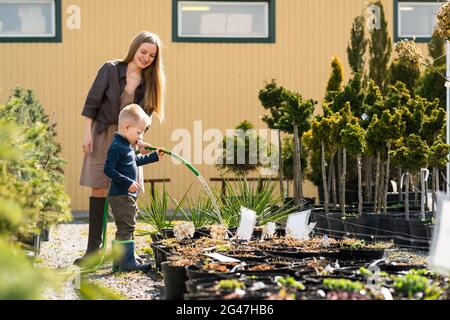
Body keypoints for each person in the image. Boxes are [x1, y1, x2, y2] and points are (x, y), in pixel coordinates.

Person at [75, 31, 165, 265]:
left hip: (129, 141)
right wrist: (87, 133)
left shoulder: (151, 83)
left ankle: (125, 254)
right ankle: (93, 253)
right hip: (103, 132)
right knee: (99, 189)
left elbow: (147, 117)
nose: (146, 58)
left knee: (127, 193)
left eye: (152, 55)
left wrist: (141, 139)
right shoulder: (110, 69)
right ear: (134, 48)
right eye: (143, 51)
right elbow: (92, 103)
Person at [104, 104, 164, 272]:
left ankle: (120, 261)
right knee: (127, 227)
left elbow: (134, 162)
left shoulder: (126, 146)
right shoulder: (117, 146)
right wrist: (127, 182)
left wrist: (153, 156)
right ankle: (127, 263)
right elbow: (108, 169)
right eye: (139, 132)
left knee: (125, 227)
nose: (141, 136)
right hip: (121, 195)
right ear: (127, 127)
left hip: (126, 194)